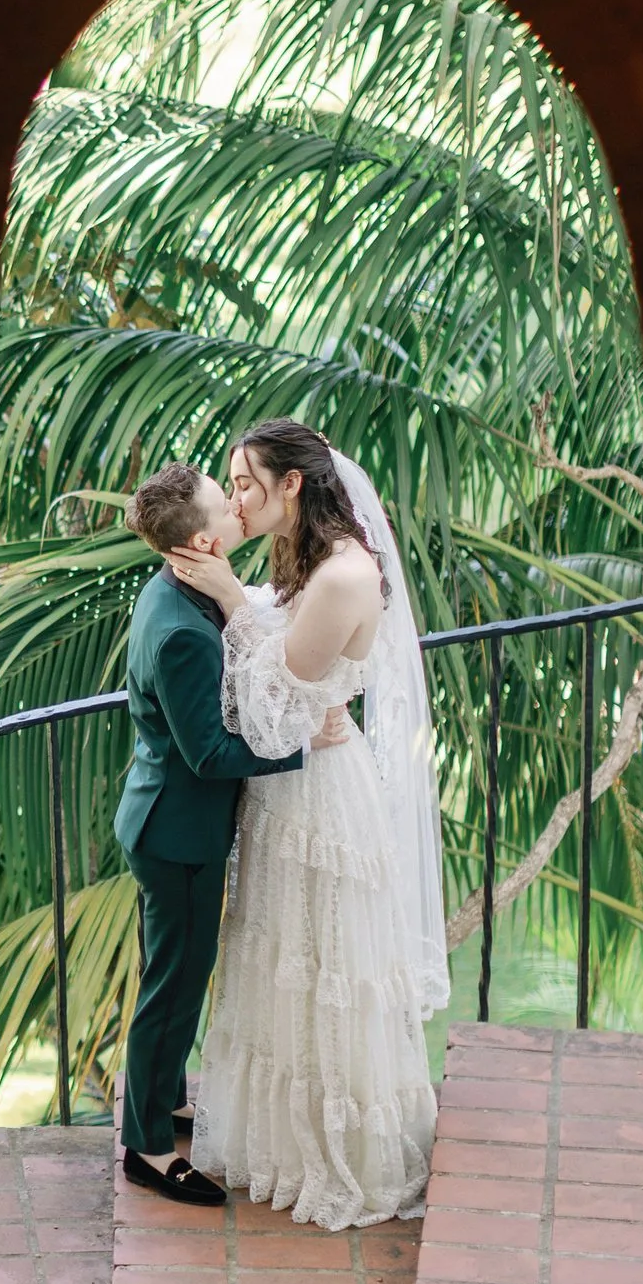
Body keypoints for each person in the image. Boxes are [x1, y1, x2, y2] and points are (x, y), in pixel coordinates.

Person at [163, 418, 444, 1229]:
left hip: (322, 793)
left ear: (293, 483)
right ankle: (280, 1140)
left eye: (246, 482)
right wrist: (238, 597)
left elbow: (279, 704)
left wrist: (222, 598)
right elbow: (279, 636)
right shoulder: (309, 558)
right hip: (289, 789)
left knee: (325, 963)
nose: (237, 499)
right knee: (282, 956)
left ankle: (343, 1152)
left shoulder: (347, 574)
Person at [112, 462, 341, 1206]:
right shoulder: (181, 630)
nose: (243, 507)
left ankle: (164, 1099)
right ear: (206, 540)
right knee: (173, 987)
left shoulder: (178, 590)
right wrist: (305, 737)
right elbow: (209, 752)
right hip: (178, 834)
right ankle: (146, 1145)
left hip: (165, 817)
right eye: (228, 502)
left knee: (171, 976)